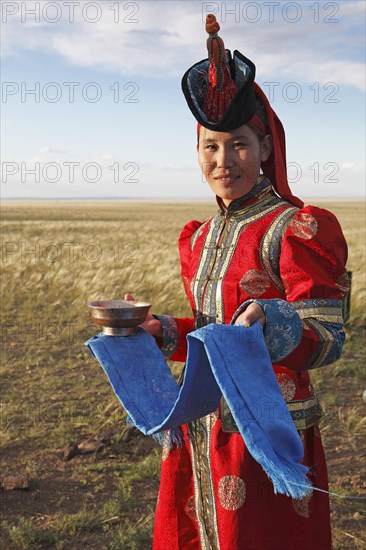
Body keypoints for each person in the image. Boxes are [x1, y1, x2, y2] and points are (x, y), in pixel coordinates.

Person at [125, 14, 349, 550]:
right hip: (201, 423)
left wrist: (272, 322)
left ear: (265, 148)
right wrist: (161, 331)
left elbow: (329, 337)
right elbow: (211, 330)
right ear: (198, 154)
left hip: (267, 432)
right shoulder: (200, 238)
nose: (225, 160)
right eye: (211, 147)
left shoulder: (296, 229)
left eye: (240, 145)